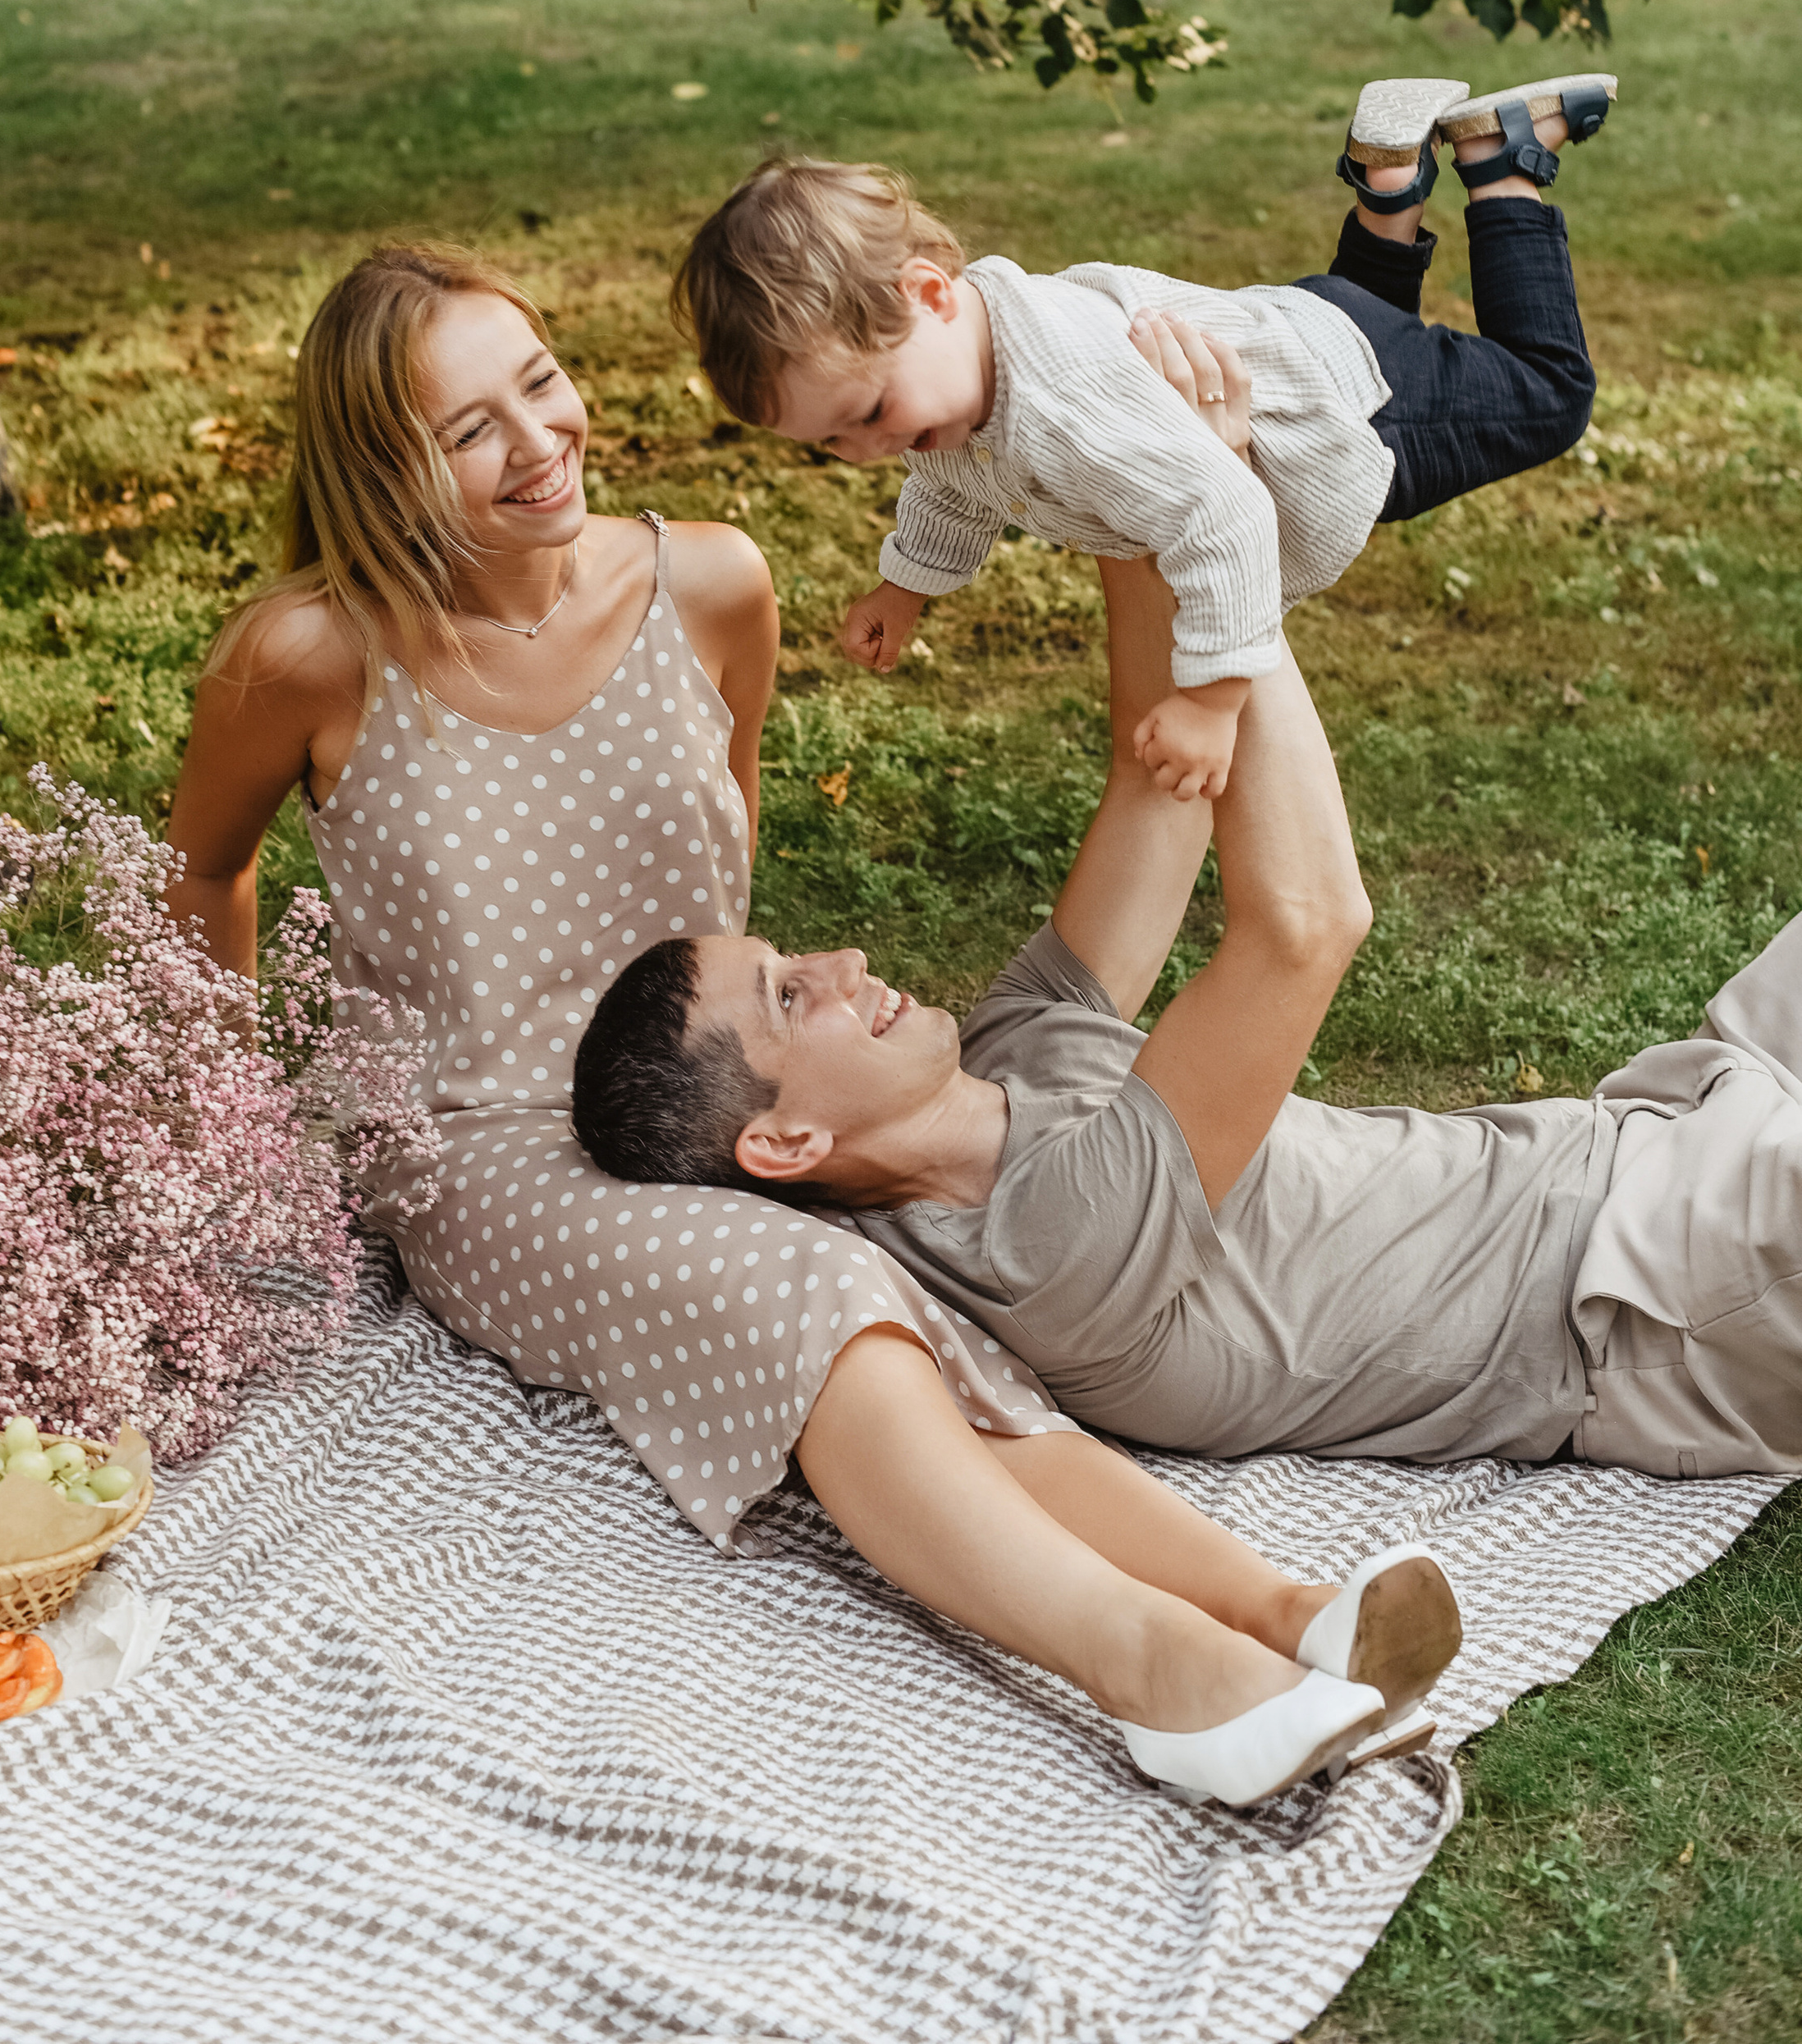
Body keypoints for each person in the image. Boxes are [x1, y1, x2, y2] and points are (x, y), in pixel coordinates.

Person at [165, 241, 1461, 1809]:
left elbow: (733, 844)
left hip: (720, 1082)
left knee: (939, 1329)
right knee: (829, 1289)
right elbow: (208, 874)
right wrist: (222, 1133)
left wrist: (775, 1067)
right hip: (489, 1138)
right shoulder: (303, 655)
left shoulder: (712, 581)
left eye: (544, 382)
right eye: (468, 431)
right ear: (383, 467)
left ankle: (1277, 1608)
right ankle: (1160, 1672)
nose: (540, 441)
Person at [574, 355, 1802, 1493]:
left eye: (796, 958)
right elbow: (1308, 924)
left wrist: (1121, 455)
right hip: (1668, 1286)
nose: (843, 963)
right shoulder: (1044, 1251)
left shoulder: (1015, 1049)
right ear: (785, 1144)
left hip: (1670, 1122)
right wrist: (1221, 516)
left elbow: (1154, 768)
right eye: (792, 995)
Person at [676, 69, 1613, 800]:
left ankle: (1499, 164)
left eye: (872, 417)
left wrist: (1211, 700)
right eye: (834, 445)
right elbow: (947, 483)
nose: (874, 451)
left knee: (1550, 393)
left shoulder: (1066, 407)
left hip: (1354, 404)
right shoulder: (958, 379)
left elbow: (1227, 519)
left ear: (926, 293)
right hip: (1299, 329)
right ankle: (1390, 182)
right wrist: (907, 584)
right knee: (1368, 315)